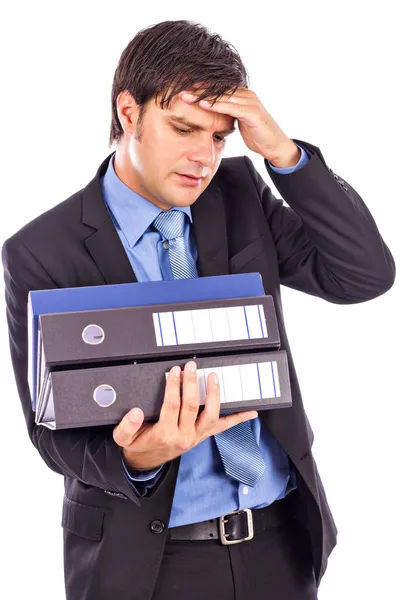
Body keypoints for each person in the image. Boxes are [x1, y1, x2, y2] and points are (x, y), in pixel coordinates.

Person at [1, 19, 395, 600]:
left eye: (218, 136)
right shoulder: (41, 251)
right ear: (128, 112)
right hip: (148, 565)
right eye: (183, 128)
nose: (203, 157)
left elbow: (363, 274)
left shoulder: (239, 193)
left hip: (280, 543)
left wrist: (283, 155)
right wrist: (138, 457)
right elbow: (50, 433)